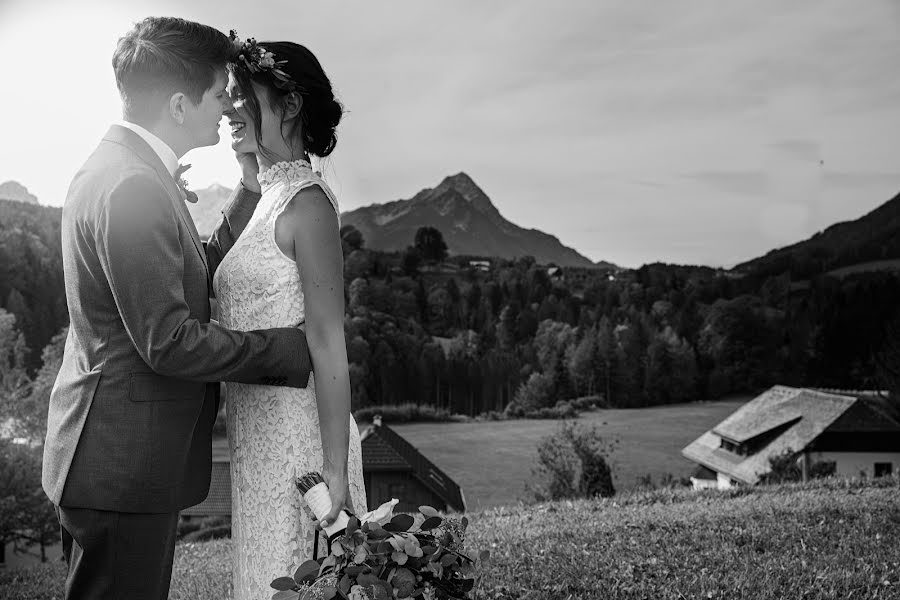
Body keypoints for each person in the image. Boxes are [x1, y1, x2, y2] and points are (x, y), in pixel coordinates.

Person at [41, 17, 314, 600]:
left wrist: (245, 191)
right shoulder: (134, 184)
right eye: (219, 92)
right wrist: (289, 349)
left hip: (104, 453)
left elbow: (185, 276)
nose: (226, 106)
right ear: (179, 103)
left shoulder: (122, 167)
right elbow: (169, 340)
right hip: (121, 464)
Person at [217, 32, 367, 598]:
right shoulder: (266, 199)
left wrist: (333, 471)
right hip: (254, 448)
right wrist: (246, 163)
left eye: (241, 94)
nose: (230, 105)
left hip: (300, 450)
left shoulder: (309, 204)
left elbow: (328, 342)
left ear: (290, 102)